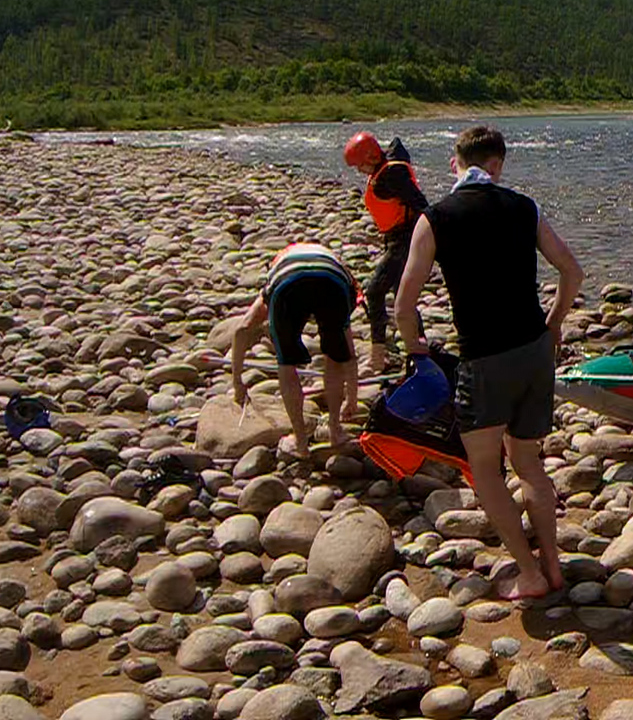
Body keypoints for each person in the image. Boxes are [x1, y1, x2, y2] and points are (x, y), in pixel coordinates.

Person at [396, 126, 583, 599]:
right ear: (497, 166)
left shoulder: (436, 217)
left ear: (456, 163)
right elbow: (572, 271)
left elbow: (404, 302)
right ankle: (554, 566)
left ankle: (530, 573)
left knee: (484, 468)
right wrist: (555, 322)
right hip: (535, 350)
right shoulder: (525, 207)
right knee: (529, 462)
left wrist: (412, 344)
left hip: (484, 357)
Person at [227, 242, 360, 460]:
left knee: (286, 365)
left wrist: (237, 383)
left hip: (287, 286)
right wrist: (352, 399)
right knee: (334, 357)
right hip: (331, 283)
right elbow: (348, 353)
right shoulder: (344, 276)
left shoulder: (278, 267)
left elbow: (243, 328)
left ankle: (300, 442)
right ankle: (335, 430)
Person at [344, 131, 429, 399]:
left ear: (371, 156)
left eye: (359, 164)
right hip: (396, 239)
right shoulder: (383, 171)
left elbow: (421, 205)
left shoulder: (392, 175)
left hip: (404, 240)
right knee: (401, 297)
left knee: (374, 291)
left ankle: (378, 356)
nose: (358, 170)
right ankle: (420, 349)